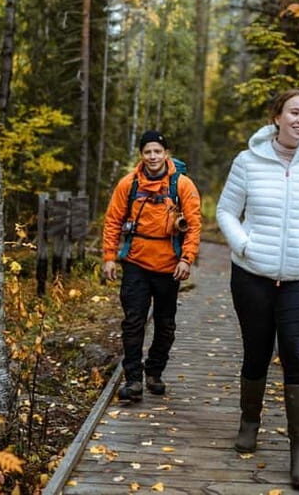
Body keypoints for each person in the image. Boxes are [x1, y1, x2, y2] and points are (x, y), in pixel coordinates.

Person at [216, 87, 299, 490]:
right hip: (252, 274)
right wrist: (244, 245)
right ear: (277, 117)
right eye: (294, 112)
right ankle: (250, 422)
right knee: (258, 349)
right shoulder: (247, 162)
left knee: (298, 354)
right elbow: (226, 211)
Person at [103, 130, 202, 402]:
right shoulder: (129, 184)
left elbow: (193, 226)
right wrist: (109, 256)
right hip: (135, 262)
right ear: (141, 155)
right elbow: (113, 220)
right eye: (148, 152)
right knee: (133, 322)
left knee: (165, 324)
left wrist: (187, 259)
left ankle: (154, 372)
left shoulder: (182, 185)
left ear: (166, 153)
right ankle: (133, 380)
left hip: (170, 264)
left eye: (157, 151)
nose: (153, 156)